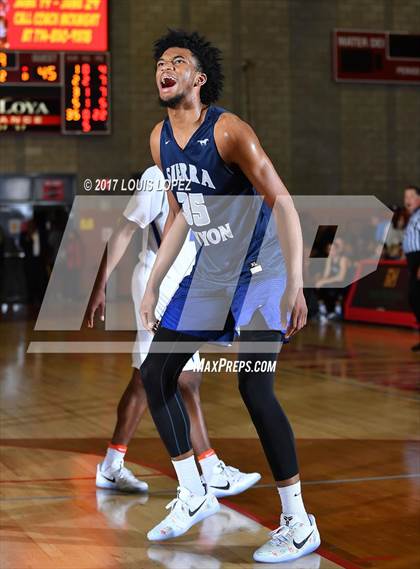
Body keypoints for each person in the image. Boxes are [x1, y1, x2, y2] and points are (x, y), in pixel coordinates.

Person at [139, 30, 320, 563]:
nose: (164, 68)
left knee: (253, 384)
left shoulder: (229, 132)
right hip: (213, 269)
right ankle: (194, 491)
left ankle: (298, 521)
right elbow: (177, 215)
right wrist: (153, 285)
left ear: (198, 78)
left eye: (177, 62)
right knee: (156, 374)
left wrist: (295, 282)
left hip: (261, 267)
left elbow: (283, 202)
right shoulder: (159, 140)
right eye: (160, 63)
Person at [87, 165, 261, 496]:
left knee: (144, 379)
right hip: (158, 281)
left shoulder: (207, 177)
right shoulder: (158, 175)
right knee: (185, 378)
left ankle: (111, 466)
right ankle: (210, 469)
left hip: (185, 285)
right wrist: (100, 285)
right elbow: (124, 231)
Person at [402, 185, 420, 351]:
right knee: (415, 298)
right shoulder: (413, 216)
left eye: (411, 196)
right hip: (413, 261)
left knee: (415, 296)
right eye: (405, 197)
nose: (407, 200)